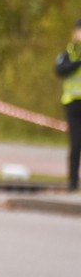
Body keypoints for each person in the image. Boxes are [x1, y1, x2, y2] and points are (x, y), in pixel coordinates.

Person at [54, 18, 81, 192]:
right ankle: (72, 183)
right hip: (73, 105)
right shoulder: (69, 52)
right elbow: (60, 70)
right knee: (76, 144)